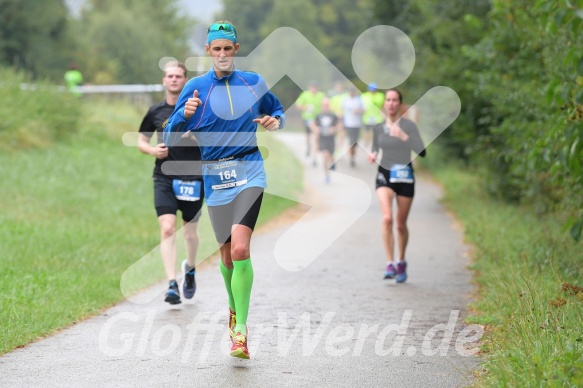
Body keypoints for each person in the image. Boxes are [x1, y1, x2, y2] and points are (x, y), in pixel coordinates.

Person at [163, 21, 285, 360]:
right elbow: (170, 135)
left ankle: (241, 333)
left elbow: (276, 109)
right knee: (227, 256)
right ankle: (233, 309)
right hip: (215, 178)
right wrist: (183, 117)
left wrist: (276, 120)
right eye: (216, 49)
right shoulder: (195, 87)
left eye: (227, 49)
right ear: (207, 52)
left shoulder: (253, 82)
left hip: (249, 171)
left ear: (236, 50)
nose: (222, 55)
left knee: (242, 248)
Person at [138, 62, 203, 305]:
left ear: (186, 81)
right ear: (164, 81)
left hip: (193, 177)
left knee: (190, 234)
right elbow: (141, 141)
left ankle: (191, 268)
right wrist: (153, 150)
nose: (174, 79)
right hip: (164, 176)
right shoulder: (155, 111)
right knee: (167, 228)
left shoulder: (198, 109)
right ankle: (171, 284)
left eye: (178, 76)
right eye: (170, 76)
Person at [367, 89, 426, 283]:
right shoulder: (377, 127)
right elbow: (376, 145)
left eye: (395, 100)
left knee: (400, 225)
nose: (391, 103)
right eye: (388, 100)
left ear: (401, 104)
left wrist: (403, 136)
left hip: (405, 176)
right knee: (387, 218)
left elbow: (422, 152)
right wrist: (373, 154)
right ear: (384, 104)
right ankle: (390, 263)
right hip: (384, 174)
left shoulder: (409, 126)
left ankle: (401, 260)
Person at [295, 81, 326, 164]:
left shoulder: (321, 95)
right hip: (307, 118)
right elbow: (298, 105)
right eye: (312, 87)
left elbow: (325, 104)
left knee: (316, 134)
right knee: (308, 135)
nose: (314, 89)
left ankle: (314, 157)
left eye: (315, 87)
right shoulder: (305, 94)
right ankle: (309, 147)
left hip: (318, 119)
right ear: (309, 87)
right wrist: (306, 107)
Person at [310, 98, 339, 184]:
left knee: (330, 155)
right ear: (322, 106)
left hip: (331, 139)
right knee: (324, 155)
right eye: (324, 105)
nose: (326, 106)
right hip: (322, 138)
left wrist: (334, 129)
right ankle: (326, 175)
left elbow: (340, 126)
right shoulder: (318, 115)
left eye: (327, 105)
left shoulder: (333, 116)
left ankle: (333, 161)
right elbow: (312, 125)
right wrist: (316, 129)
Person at [340, 87, 365, 167]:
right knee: (351, 141)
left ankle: (352, 155)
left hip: (357, 124)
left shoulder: (359, 99)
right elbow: (340, 109)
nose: (351, 93)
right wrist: (341, 120)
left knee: (355, 142)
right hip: (348, 123)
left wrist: (358, 111)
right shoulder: (345, 99)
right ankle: (351, 159)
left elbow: (364, 110)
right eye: (350, 92)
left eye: (352, 92)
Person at [360, 83, 385, 148]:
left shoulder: (380, 96)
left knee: (376, 131)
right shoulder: (364, 96)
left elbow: (383, 106)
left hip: (377, 117)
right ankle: (366, 142)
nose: (372, 91)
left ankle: (375, 142)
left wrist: (383, 114)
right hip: (367, 117)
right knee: (367, 130)